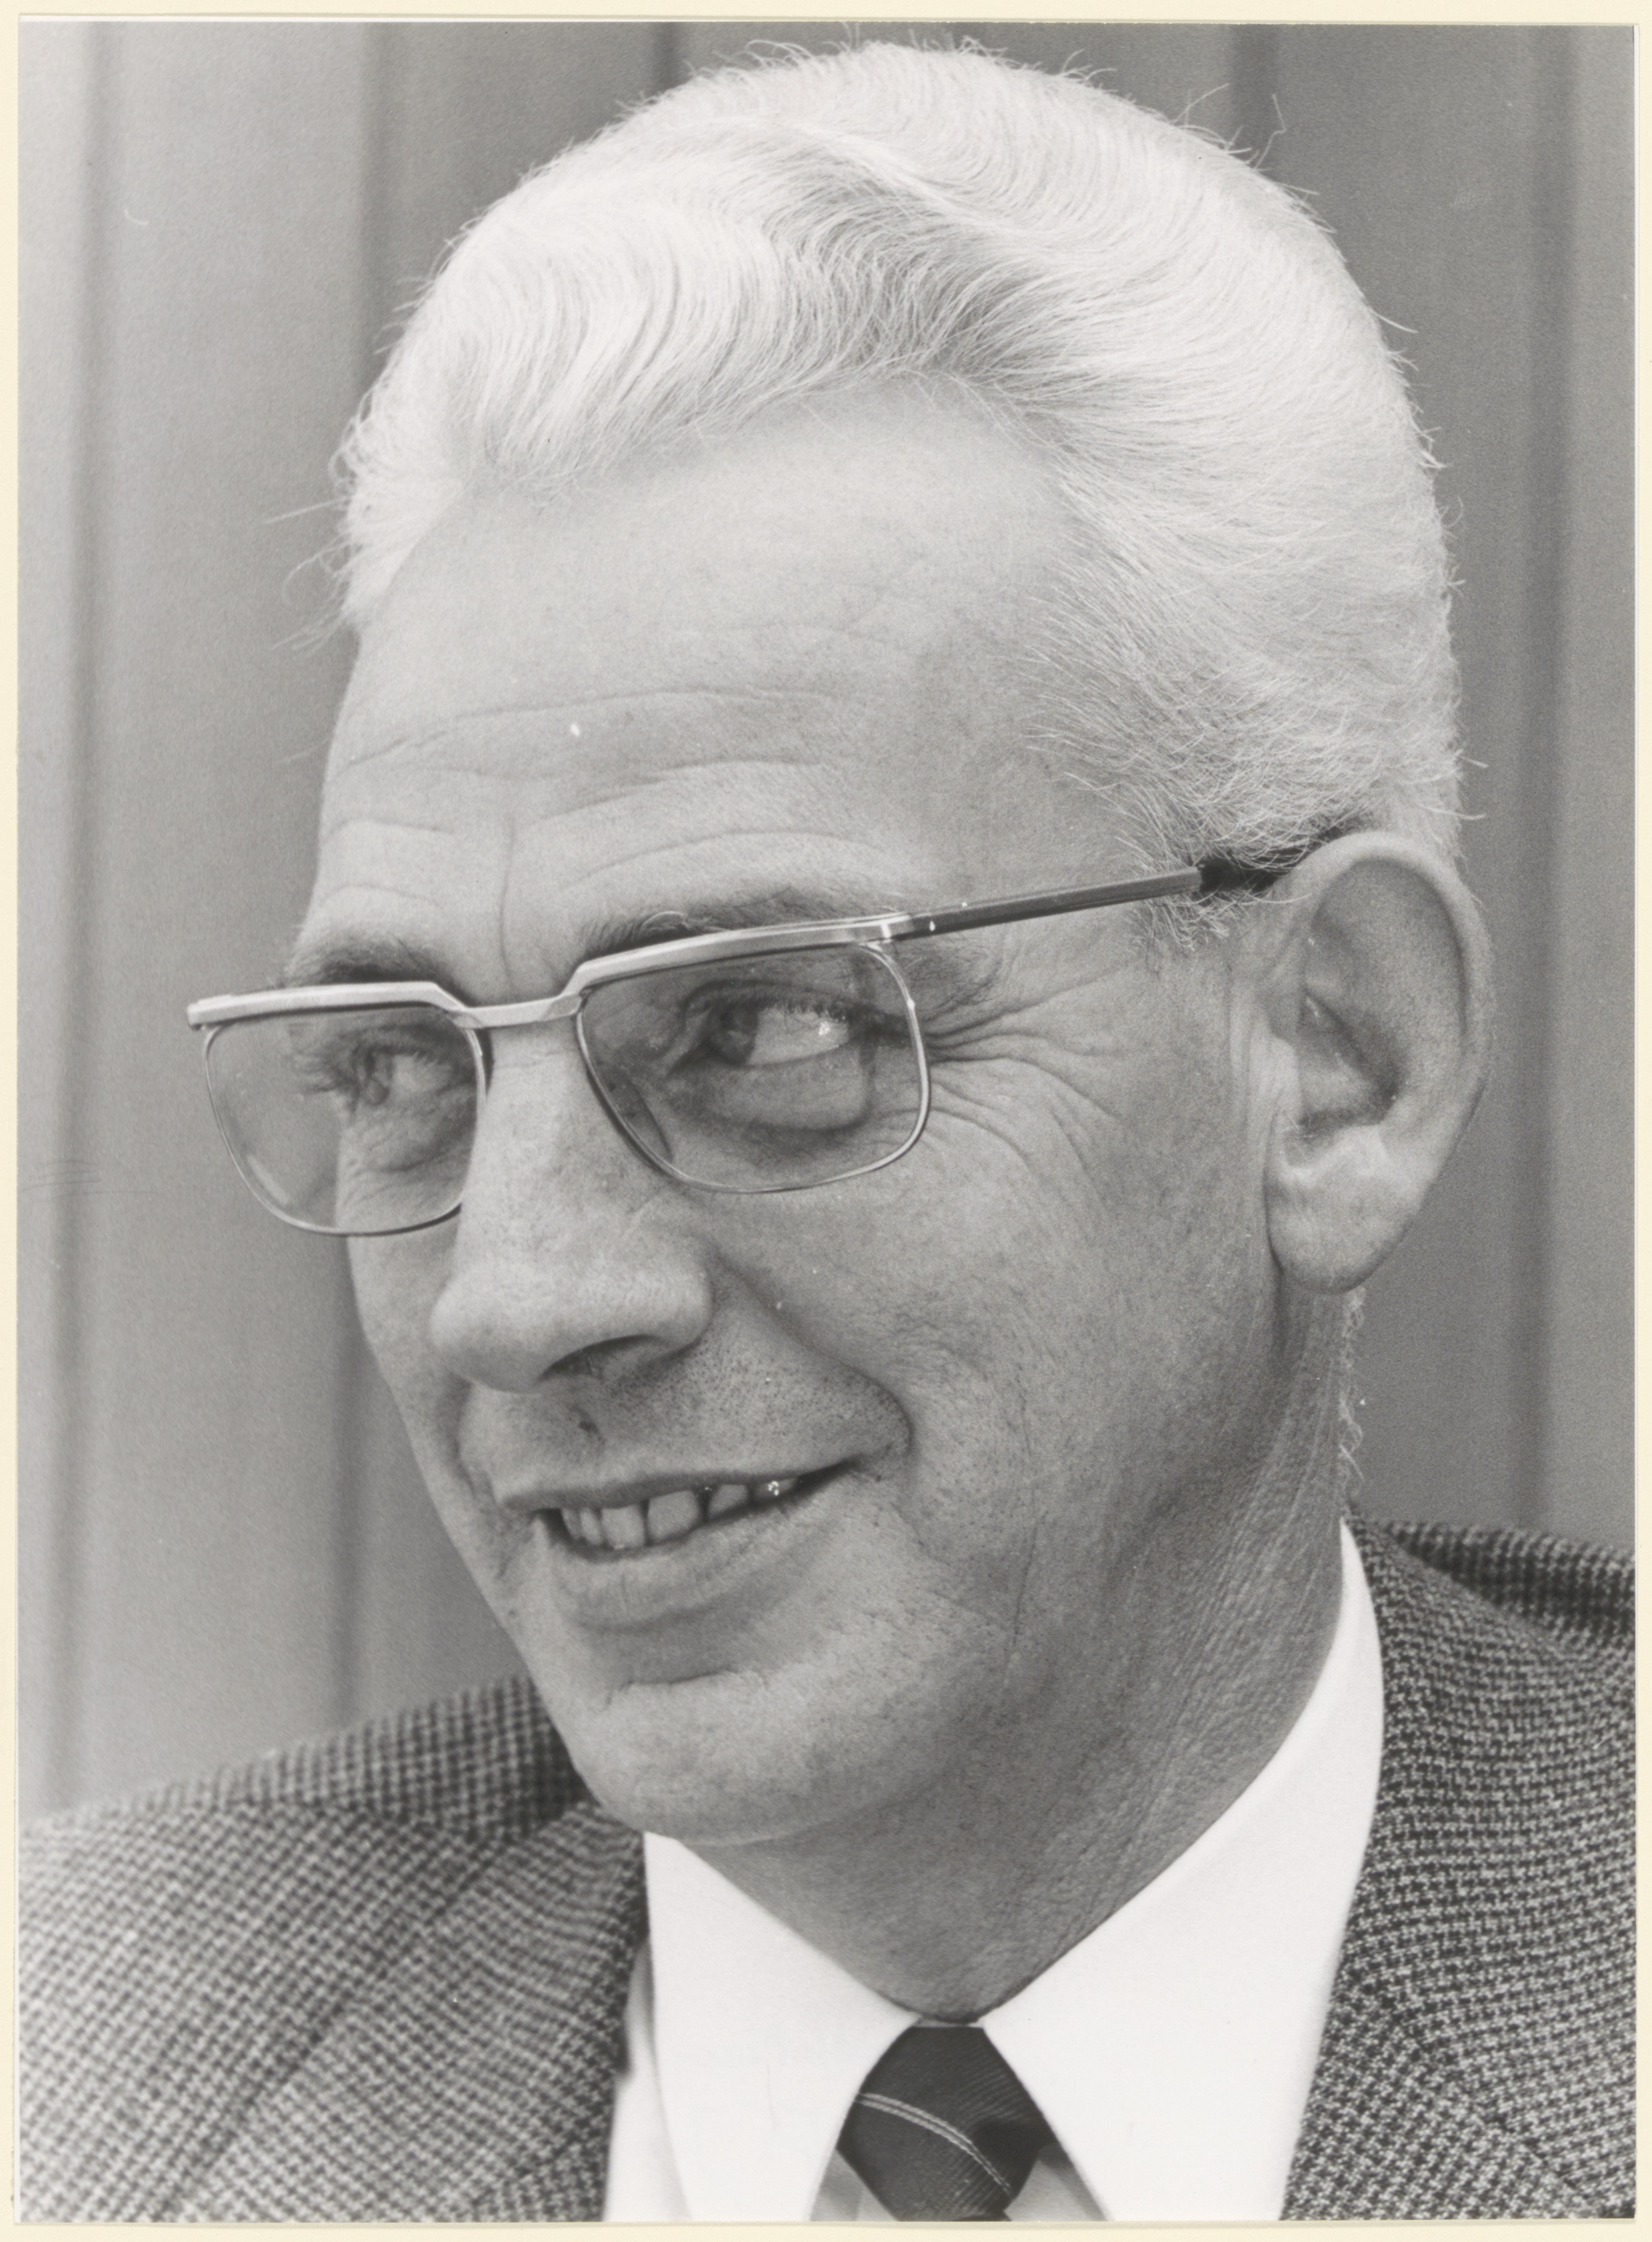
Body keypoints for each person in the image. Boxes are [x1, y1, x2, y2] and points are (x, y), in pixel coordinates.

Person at [20, 42, 1631, 2223]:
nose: (514, 1297)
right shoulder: (79, 2060)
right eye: (404, 1066)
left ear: (1334, 1059)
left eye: (765, 1027)